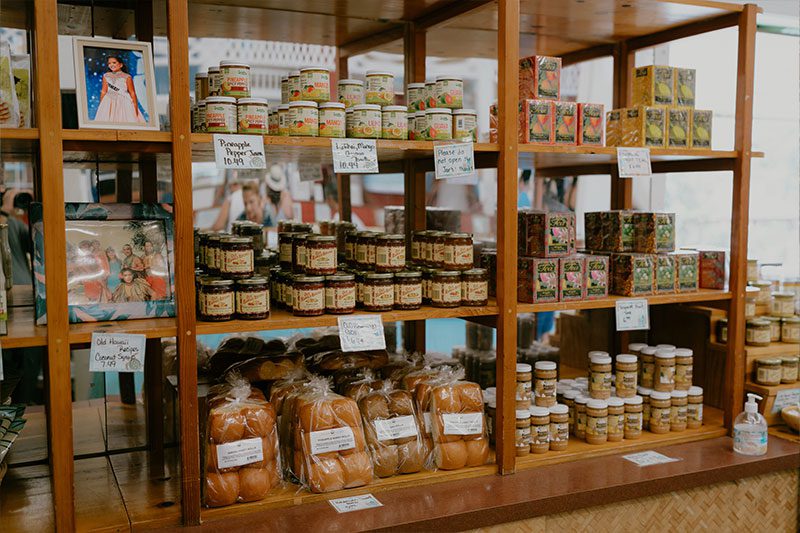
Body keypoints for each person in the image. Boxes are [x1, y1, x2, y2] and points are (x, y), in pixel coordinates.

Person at [93, 55, 144, 124]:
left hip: (124, 101)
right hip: (108, 101)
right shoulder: (106, 76)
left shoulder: (127, 77)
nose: (111, 65)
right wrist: (102, 104)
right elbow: (104, 91)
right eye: (109, 63)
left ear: (120, 65)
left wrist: (135, 107)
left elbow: (132, 92)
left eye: (114, 63)